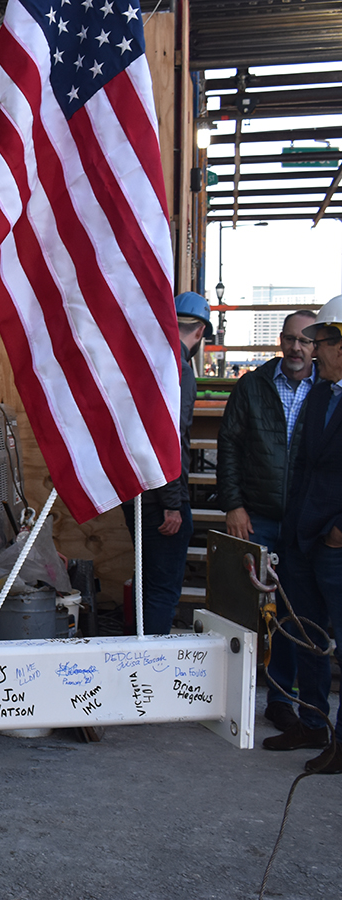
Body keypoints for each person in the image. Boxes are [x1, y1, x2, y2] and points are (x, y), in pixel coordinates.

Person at [217, 310, 317, 734]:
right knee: (247, 613)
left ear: (317, 347)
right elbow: (229, 448)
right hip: (255, 517)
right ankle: (234, 700)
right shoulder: (253, 386)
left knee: (295, 615)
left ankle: (281, 701)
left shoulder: (327, 391)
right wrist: (234, 505)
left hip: (302, 523)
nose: (296, 348)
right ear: (280, 340)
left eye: (305, 341)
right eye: (290, 339)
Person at [268, 295, 342, 773]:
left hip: (333, 542)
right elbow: (305, 467)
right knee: (306, 633)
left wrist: (338, 534)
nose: (319, 350)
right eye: (321, 342)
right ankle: (314, 724)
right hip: (303, 538)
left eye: (327, 341)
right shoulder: (320, 395)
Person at [121, 291, 208, 636]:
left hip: (135, 493)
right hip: (161, 499)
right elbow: (168, 439)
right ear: (199, 331)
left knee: (146, 585)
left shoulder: (146, 365)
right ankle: (148, 671)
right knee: (160, 591)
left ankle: (132, 666)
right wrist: (173, 503)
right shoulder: (179, 371)